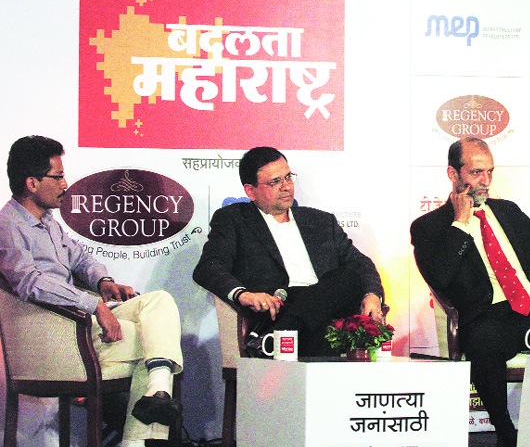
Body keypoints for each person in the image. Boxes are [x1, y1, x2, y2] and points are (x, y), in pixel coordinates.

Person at [0, 136, 184, 446]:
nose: (65, 184)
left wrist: (103, 282)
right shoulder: (7, 226)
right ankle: (142, 429)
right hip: (54, 335)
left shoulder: (48, 222)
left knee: (159, 302)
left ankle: (157, 392)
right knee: (152, 342)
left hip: (79, 323)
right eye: (58, 176)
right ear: (32, 183)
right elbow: (30, 282)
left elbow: (80, 258)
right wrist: (93, 304)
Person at [410, 137, 530, 447]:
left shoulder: (509, 212)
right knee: (483, 342)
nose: (485, 181)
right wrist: (460, 222)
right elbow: (440, 277)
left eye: (490, 172)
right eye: (476, 172)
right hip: (489, 317)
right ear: (453, 174)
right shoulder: (429, 226)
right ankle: (505, 431)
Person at [193, 146, 384, 357]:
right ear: (250, 191)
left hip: (323, 306)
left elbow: (361, 264)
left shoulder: (321, 221)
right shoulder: (233, 219)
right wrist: (243, 294)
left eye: (288, 177)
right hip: (278, 306)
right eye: (275, 182)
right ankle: (283, 334)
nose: (286, 187)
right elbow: (208, 268)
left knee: (347, 278)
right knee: (322, 328)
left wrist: (372, 295)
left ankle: (273, 338)